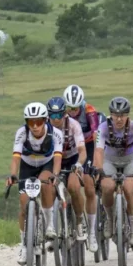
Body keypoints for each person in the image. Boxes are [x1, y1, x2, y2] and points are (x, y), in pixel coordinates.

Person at [7, 102, 64, 265]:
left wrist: (55, 175)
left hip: (47, 164)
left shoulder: (56, 133)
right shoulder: (22, 133)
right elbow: (15, 158)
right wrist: (12, 174)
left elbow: (58, 158)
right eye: (30, 122)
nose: (35, 126)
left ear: (45, 120)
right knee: (23, 203)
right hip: (27, 166)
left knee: (45, 184)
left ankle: (50, 226)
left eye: (38, 122)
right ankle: (24, 246)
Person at [93, 96, 133, 250]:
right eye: (116, 115)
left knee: (129, 188)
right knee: (107, 187)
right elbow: (98, 151)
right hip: (110, 159)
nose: (119, 119)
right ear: (111, 115)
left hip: (130, 160)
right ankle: (110, 220)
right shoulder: (103, 127)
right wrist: (99, 170)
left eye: (122, 115)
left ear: (127, 115)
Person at [63, 84, 102, 250]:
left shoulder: (89, 111)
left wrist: (96, 163)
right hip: (72, 148)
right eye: (69, 108)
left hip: (88, 147)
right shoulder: (62, 114)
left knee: (89, 187)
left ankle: (91, 232)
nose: (72, 111)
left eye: (75, 108)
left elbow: (96, 136)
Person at [47, 96, 88, 241]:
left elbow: (82, 151)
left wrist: (78, 164)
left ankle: (79, 221)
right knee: (50, 188)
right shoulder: (45, 127)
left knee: (74, 187)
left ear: (64, 114)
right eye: (52, 115)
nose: (55, 119)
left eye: (59, 115)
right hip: (54, 159)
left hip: (72, 159)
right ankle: (51, 224)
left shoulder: (74, 125)